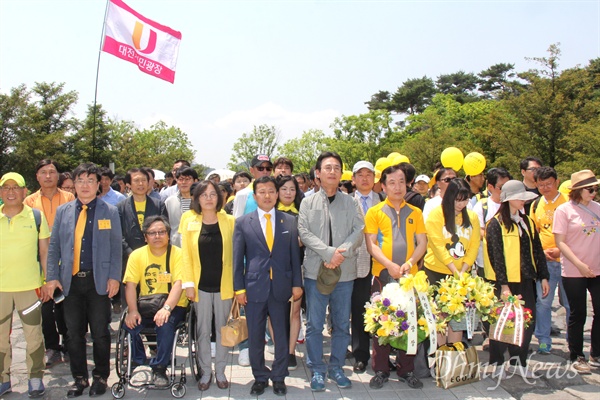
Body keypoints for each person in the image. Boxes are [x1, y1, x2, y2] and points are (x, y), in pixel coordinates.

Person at [44, 163, 122, 398]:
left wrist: (114, 277)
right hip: (71, 283)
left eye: (90, 180)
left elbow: (116, 247)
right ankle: (79, 378)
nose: (85, 185)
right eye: (80, 181)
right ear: (73, 184)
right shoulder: (64, 211)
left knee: (100, 332)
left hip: (99, 281)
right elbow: (55, 246)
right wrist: (52, 277)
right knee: (73, 333)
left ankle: (100, 377)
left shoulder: (110, 211)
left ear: (99, 184)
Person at [298, 151, 364, 392]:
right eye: (327, 167)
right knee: (315, 324)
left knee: (340, 323)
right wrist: (328, 253)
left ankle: (336, 367)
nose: (332, 171)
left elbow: (359, 230)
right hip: (316, 271)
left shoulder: (351, 201)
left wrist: (341, 252)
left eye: (337, 167)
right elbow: (304, 232)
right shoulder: (307, 202)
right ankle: (317, 368)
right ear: (318, 173)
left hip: (344, 272)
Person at [233, 176, 303, 396]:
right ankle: (260, 377)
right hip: (254, 288)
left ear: (277, 194)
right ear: (255, 196)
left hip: (281, 287)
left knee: (281, 335)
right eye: (262, 191)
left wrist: (296, 284)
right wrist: (239, 289)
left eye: (271, 191)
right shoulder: (244, 222)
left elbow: (294, 256)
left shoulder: (289, 221)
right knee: (255, 336)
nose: (267, 195)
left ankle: (279, 376)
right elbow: (237, 259)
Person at [364, 165, 428, 390]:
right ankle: (381, 369)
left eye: (401, 181)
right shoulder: (375, 212)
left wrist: (410, 263)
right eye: (391, 182)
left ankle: (406, 369)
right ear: (383, 186)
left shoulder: (416, 212)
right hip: (382, 274)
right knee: (381, 321)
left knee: (409, 320)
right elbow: (371, 243)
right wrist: (389, 265)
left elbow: (422, 242)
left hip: (410, 277)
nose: (397, 186)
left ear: (407, 184)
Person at [484, 180, 549, 378]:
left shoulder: (527, 221)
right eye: (520, 198)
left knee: (526, 322)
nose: (523, 201)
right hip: (504, 281)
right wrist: (503, 285)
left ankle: (518, 361)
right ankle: (497, 363)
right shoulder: (495, 224)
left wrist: (543, 276)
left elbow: (537, 250)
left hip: (526, 278)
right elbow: (496, 256)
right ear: (509, 199)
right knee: (502, 321)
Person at [179, 181, 235, 391]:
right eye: (204, 195)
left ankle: (220, 371)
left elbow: (236, 255)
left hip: (224, 284)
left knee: (223, 330)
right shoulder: (189, 220)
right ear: (197, 198)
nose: (209, 198)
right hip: (199, 286)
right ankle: (205, 372)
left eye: (213, 194)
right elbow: (185, 255)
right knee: (202, 331)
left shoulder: (229, 220)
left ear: (219, 198)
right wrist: (188, 284)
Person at [0, 172, 51, 398]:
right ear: (1, 192)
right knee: (0, 337)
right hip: (1, 290)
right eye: (6, 188)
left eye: (16, 187)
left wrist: (48, 281)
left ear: (24, 192)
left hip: (29, 289)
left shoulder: (37, 217)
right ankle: (3, 379)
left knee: (33, 336)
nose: (11, 192)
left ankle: (35, 378)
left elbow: (45, 252)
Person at [122, 216, 187, 387]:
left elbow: (179, 284)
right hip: (146, 303)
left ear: (168, 235)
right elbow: (130, 285)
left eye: (161, 232)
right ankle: (139, 361)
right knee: (129, 324)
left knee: (165, 324)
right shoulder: (137, 255)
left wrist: (166, 308)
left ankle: (159, 368)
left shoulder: (178, 254)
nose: (157, 236)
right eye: (152, 233)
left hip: (174, 304)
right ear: (145, 237)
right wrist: (133, 310)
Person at [24, 159, 74, 369]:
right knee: (46, 307)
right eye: (43, 172)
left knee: (67, 306)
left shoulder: (69, 198)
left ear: (57, 175)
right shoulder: (29, 201)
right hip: (40, 260)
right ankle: (52, 347)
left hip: (67, 259)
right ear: (37, 176)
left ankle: (70, 344)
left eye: (52, 172)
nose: (48, 176)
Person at [553, 170, 600, 374]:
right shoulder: (564, 211)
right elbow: (560, 243)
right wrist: (579, 264)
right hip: (574, 269)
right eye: (590, 189)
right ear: (579, 190)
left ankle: (596, 353)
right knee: (578, 313)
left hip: (597, 268)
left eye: (596, 188)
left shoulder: (598, 208)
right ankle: (576, 354)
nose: (594, 192)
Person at [424, 179, 480, 345]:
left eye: (465, 199)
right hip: (437, 272)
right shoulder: (436, 215)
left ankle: (455, 357)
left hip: (462, 274)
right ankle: (441, 357)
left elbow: (474, 245)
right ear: (449, 197)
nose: (461, 204)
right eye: (457, 199)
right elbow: (437, 245)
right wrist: (454, 270)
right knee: (440, 317)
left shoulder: (472, 217)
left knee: (458, 318)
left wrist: (463, 269)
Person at [530, 167, 570, 355]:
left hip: (568, 261)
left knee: (570, 303)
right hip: (545, 262)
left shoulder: (568, 202)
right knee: (543, 302)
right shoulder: (535, 204)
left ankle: (573, 340)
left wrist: (560, 250)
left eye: (549, 184)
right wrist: (540, 253)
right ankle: (543, 339)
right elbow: (534, 232)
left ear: (557, 182)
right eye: (541, 185)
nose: (545, 188)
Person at [116, 168, 168, 313]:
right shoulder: (120, 207)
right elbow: (117, 234)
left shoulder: (158, 205)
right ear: (128, 184)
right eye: (136, 181)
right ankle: (132, 331)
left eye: (144, 180)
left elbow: (164, 231)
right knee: (131, 299)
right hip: (129, 258)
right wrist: (130, 253)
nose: (141, 184)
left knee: (154, 299)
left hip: (155, 258)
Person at [349, 160, 382, 374]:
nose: (364, 178)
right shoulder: (345, 203)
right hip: (357, 263)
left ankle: (384, 357)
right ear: (353, 180)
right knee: (359, 308)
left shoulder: (385, 201)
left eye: (368, 174)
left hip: (382, 263)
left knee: (383, 308)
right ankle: (360, 354)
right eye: (360, 174)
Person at [274, 175, 304, 370]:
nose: (288, 193)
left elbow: (305, 240)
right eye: (284, 189)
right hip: (273, 269)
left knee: (294, 312)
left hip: (296, 267)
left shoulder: (302, 213)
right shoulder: (269, 213)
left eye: (292, 189)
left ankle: (291, 352)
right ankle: (280, 349)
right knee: (274, 313)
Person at [165, 167, 198, 247]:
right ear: (176, 180)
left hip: (196, 246)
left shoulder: (200, 201)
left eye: (187, 179)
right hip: (176, 247)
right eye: (180, 179)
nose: (184, 182)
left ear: (195, 181)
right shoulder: (170, 201)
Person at [232, 154, 273, 218]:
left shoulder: (276, 192)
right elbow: (237, 221)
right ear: (252, 170)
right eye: (260, 168)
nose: (265, 171)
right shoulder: (242, 194)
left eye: (268, 168)